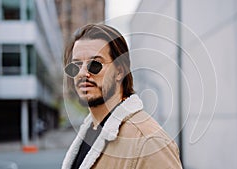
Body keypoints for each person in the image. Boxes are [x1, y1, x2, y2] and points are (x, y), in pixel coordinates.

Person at [61, 24, 182, 169]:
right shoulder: (89, 132)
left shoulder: (148, 141)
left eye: (95, 64)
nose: (82, 73)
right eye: (76, 65)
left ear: (120, 71)